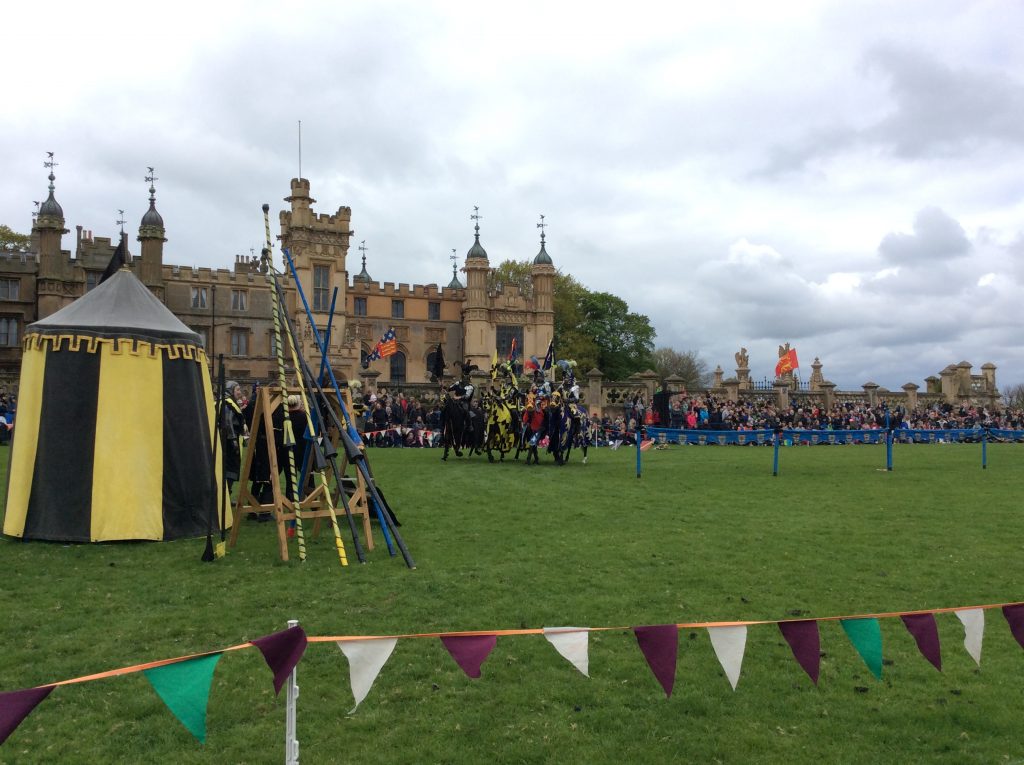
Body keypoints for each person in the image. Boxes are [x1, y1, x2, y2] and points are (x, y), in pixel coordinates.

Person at [219, 381, 247, 496]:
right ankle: (226, 496)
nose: (240, 392)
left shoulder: (224, 402)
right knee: (230, 468)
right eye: (237, 390)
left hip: (227, 440)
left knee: (229, 468)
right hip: (228, 442)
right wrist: (233, 440)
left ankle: (226, 495)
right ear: (230, 391)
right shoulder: (227, 403)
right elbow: (228, 422)